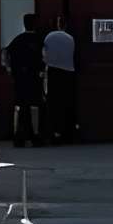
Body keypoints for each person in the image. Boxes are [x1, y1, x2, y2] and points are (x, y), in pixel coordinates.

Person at [0, 15, 43, 147]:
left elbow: (5, 54)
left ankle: (17, 135)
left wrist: (9, 69)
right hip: (34, 78)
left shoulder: (17, 40)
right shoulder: (39, 40)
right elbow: (46, 57)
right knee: (34, 106)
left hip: (19, 79)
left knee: (19, 106)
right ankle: (35, 135)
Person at [42, 15, 80, 146]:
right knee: (68, 102)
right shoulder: (70, 38)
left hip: (53, 71)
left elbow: (44, 55)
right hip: (68, 71)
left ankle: (53, 133)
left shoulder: (49, 37)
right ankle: (68, 132)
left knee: (53, 103)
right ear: (65, 25)